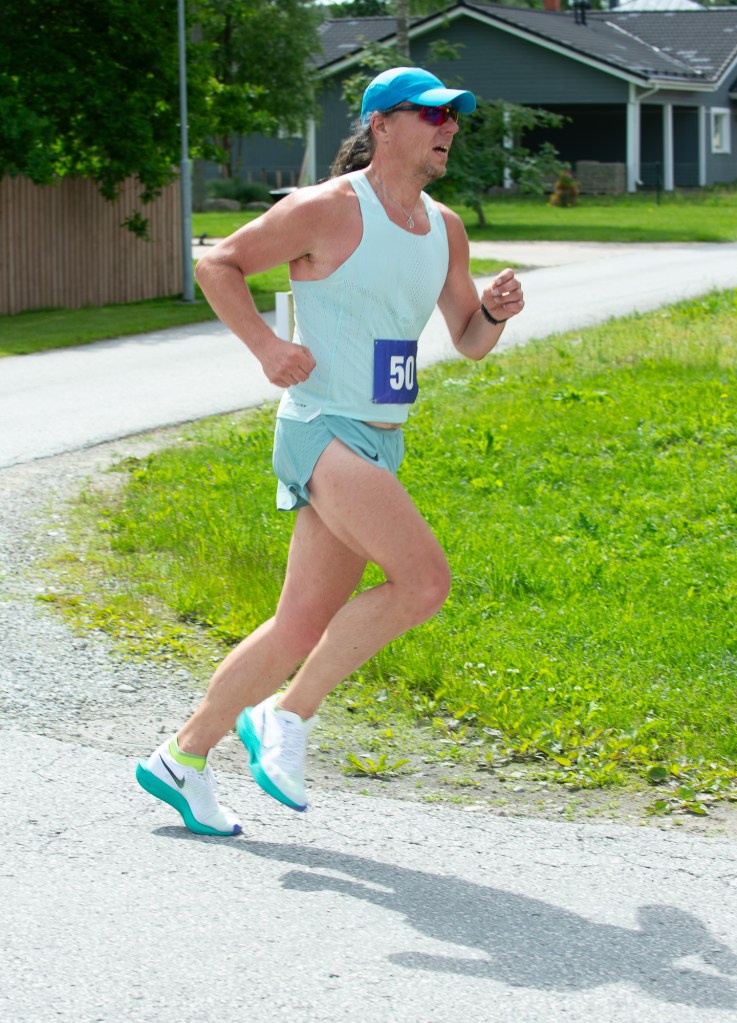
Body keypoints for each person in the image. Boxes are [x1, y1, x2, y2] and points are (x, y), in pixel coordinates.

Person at [135, 66, 525, 836]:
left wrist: (492, 310)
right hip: (321, 427)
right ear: (381, 124)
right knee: (423, 582)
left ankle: (180, 758)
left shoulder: (444, 228)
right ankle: (284, 713)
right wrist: (266, 347)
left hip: (380, 440)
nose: (448, 127)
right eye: (431, 115)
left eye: (453, 116)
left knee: (298, 625)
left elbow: (468, 340)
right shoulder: (327, 208)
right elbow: (217, 263)